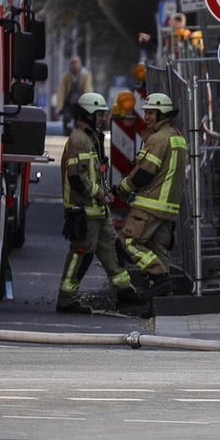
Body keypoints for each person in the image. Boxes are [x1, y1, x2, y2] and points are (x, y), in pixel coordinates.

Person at [57, 93, 144, 314]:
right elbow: (77, 178)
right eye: (100, 114)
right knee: (82, 252)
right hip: (84, 209)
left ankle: (125, 292)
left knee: (111, 250)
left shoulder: (92, 138)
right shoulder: (79, 140)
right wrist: (100, 195)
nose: (104, 118)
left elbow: (93, 174)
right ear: (89, 115)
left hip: (97, 210)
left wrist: (103, 197)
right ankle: (67, 298)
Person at [114, 93, 187, 298]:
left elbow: (144, 172)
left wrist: (121, 188)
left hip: (150, 205)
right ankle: (163, 299)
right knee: (158, 250)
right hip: (168, 208)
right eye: (146, 112)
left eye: (151, 113)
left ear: (162, 114)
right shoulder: (177, 137)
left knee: (127, 242)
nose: (146, 117)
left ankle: (160, 278)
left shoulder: (157, 139)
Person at [56, 56, 93, 134]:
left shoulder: (85, 75)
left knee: (80, 120)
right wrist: (59, 106)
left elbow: (87, 89)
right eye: (72, 63)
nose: (74, 66)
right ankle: (67, 131)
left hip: (81, 103)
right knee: (66, 117)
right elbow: (61, 91)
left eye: (76, 63)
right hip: (69, 103)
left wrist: (88, 104)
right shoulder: (66, 76)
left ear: (79, 64)